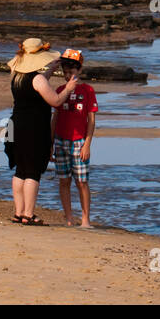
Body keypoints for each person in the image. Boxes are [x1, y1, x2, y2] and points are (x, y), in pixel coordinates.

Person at [4, 38, 80, 225]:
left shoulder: (16, 74)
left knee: (20, 170)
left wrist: (51, 69)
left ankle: (19, 212)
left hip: (15, 125)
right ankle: (28, 214)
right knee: (32, 172)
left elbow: (36, 83)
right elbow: (55, 100)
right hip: (34, 127)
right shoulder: (37, 79)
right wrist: (68, 89)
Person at [49, 49, 96, 227]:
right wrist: (50, 143)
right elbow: (55, 117)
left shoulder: (88, 90)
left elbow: (91, 120)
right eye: (66, 72)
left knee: (82, 181)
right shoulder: (60, 90)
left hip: (79, 141)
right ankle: (69, 218)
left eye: (72, 72)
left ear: (80, 71)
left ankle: (85, 219)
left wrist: (87, 144)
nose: (69, 75)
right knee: (64, 180)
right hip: (61, 140)